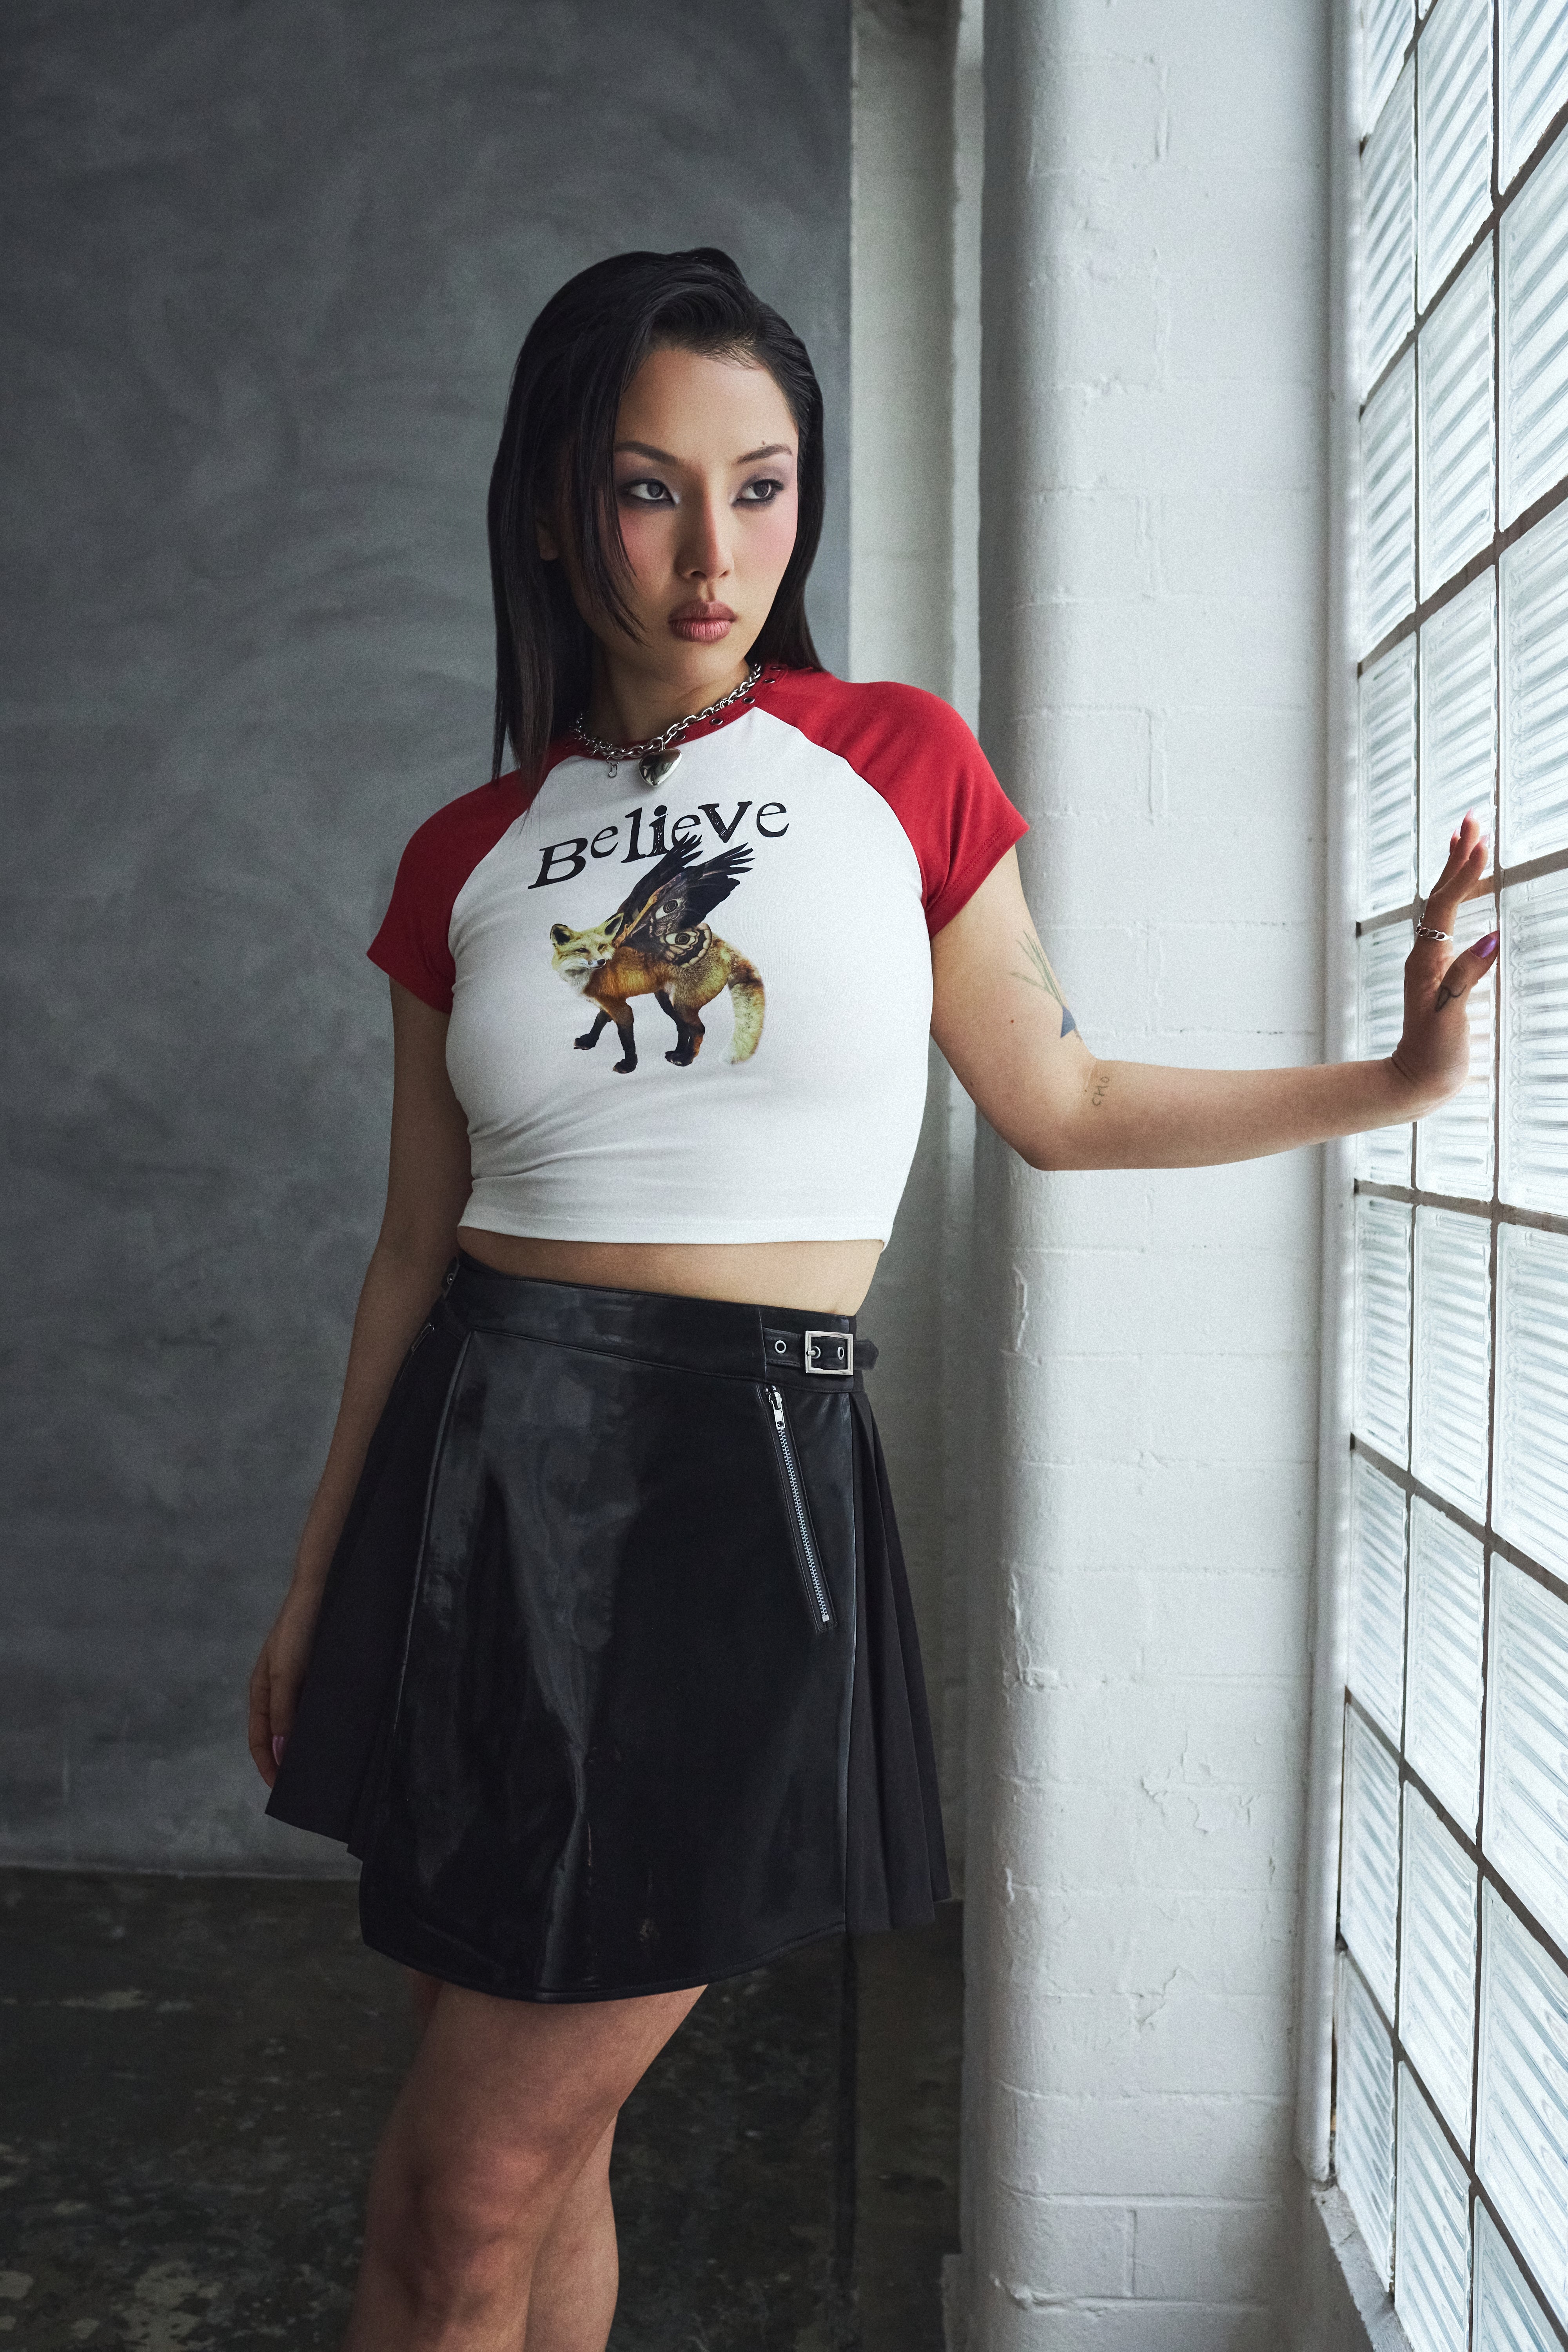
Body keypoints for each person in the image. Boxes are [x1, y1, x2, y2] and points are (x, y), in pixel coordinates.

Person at [249, 247, 1495, 2350]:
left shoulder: (895, 763)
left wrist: (1389, 1084)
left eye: (761, 488)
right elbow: (409, 1252)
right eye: (649, 490)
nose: (713, 553)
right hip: (473, 1492)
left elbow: (1062, 1102)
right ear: (554, 507)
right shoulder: (468, 849)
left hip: (731, 1490)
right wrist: (313, 1589)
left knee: (464, 2193)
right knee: (534, 2163)